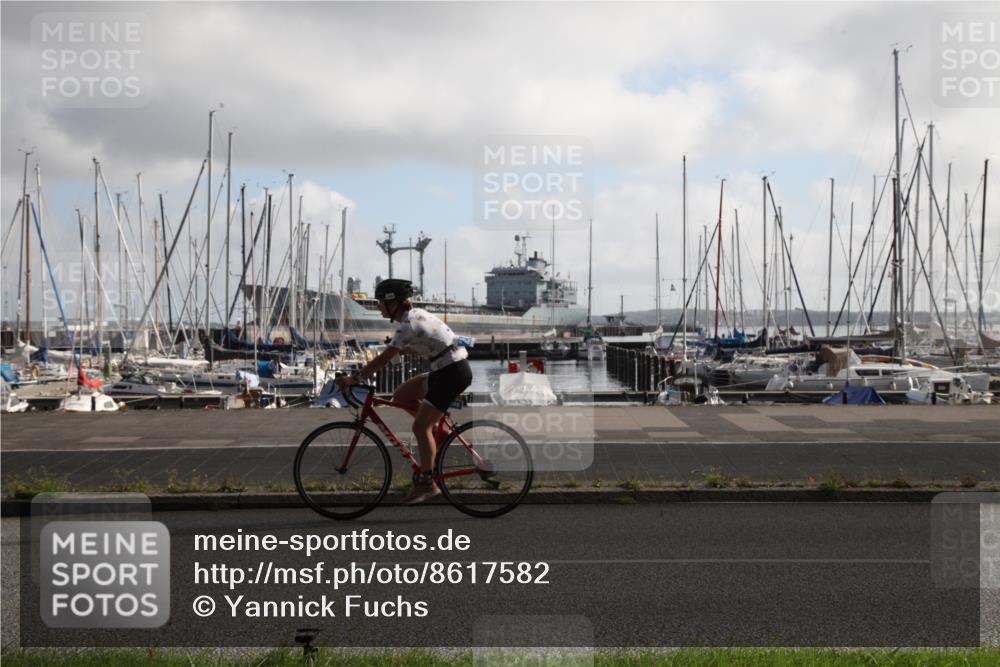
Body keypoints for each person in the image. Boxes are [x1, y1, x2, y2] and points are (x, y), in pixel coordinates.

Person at [336, 278, 472, 504]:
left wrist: (355, 378)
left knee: (419, 426)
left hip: (453, 373)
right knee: (400, 396)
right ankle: (436, 433)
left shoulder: (408, 324)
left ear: (393, 303)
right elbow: (437, 341)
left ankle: (427, 483)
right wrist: (414, 349)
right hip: (445, 369)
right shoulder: (415, 316)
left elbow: (384, 359)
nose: (378, 306)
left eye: (380, 302)